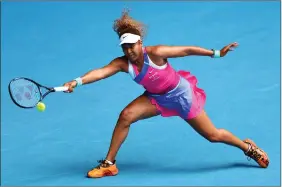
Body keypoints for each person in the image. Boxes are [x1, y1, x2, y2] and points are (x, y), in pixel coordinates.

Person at [63, 9, 269, 178]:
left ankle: (247, 147)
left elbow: (186, 50)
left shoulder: (156, 52)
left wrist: (216, 53)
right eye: (124, 47)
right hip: (155, 98)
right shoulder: (122, 63)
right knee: (125, 116)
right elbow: (100, 72)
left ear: (140, 43)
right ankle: (109, 164)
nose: (128, 51)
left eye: (131, 46)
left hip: (181, 96)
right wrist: (77, 81)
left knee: (213, 135)